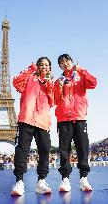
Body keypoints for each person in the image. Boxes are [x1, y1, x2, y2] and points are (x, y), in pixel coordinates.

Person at [54, 54, 97, 192]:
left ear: (72, 62)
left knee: (82, 148)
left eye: (67, 61)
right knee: (64, 150)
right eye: (62, 62)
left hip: (79, 117)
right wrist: (58, 88)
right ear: (59, 66)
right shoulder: (58, 80)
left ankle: (84, 178)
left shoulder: (80, 75)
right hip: (64, 119)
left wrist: (81, 70)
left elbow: (93, 83)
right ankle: (65, 179)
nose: (65, 63)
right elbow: (54, 100)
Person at [11, 57, 54, 196]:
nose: (44, 67)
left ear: (50, 68)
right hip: (26, 119)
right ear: (37, 66)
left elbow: (53, 100)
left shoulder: (51, 82)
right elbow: (16, 82)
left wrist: (48, 83)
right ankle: (19, 182)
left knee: (45, 150)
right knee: (22, 150)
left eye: (46, 65)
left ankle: (41, 181)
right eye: (41, 64)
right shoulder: (29, 78)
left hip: (43, 121)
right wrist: (30, 69)